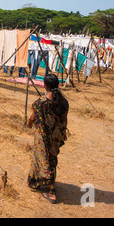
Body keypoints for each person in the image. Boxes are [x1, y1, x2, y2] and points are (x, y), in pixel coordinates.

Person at [26, 74, 69, 204]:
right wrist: (63, 133)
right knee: (50, 159)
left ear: (45, 86)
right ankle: (34, 180)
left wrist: (29, 123)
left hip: (43, 137)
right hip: (56, 136)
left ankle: (49, 190)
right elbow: (64, 120)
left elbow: (33, 118)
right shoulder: (63, 102)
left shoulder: (42, 102)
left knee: (44, 161)